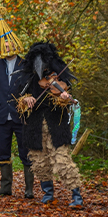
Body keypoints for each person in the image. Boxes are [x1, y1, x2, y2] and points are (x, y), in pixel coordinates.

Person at [15, 42, 83, 208]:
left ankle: (76, 195)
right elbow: (18, 103)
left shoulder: (59, 79)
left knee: (62, 160)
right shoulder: (28, 80)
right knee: (40, 162)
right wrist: (25, 100)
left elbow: (65, 97)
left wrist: (64, 97)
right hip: (35, 128)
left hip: (57, 127)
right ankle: (48, 193)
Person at [0, 17, 33, 198]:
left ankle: (29, 189)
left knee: (25, 151)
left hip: (21, 116)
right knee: (3, 150)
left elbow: (32, 88)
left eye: (9, 46)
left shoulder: (25, 65)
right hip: (1, 115)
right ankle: (6, 187)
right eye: (4, 47)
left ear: (15, 45)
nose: (7, 49)